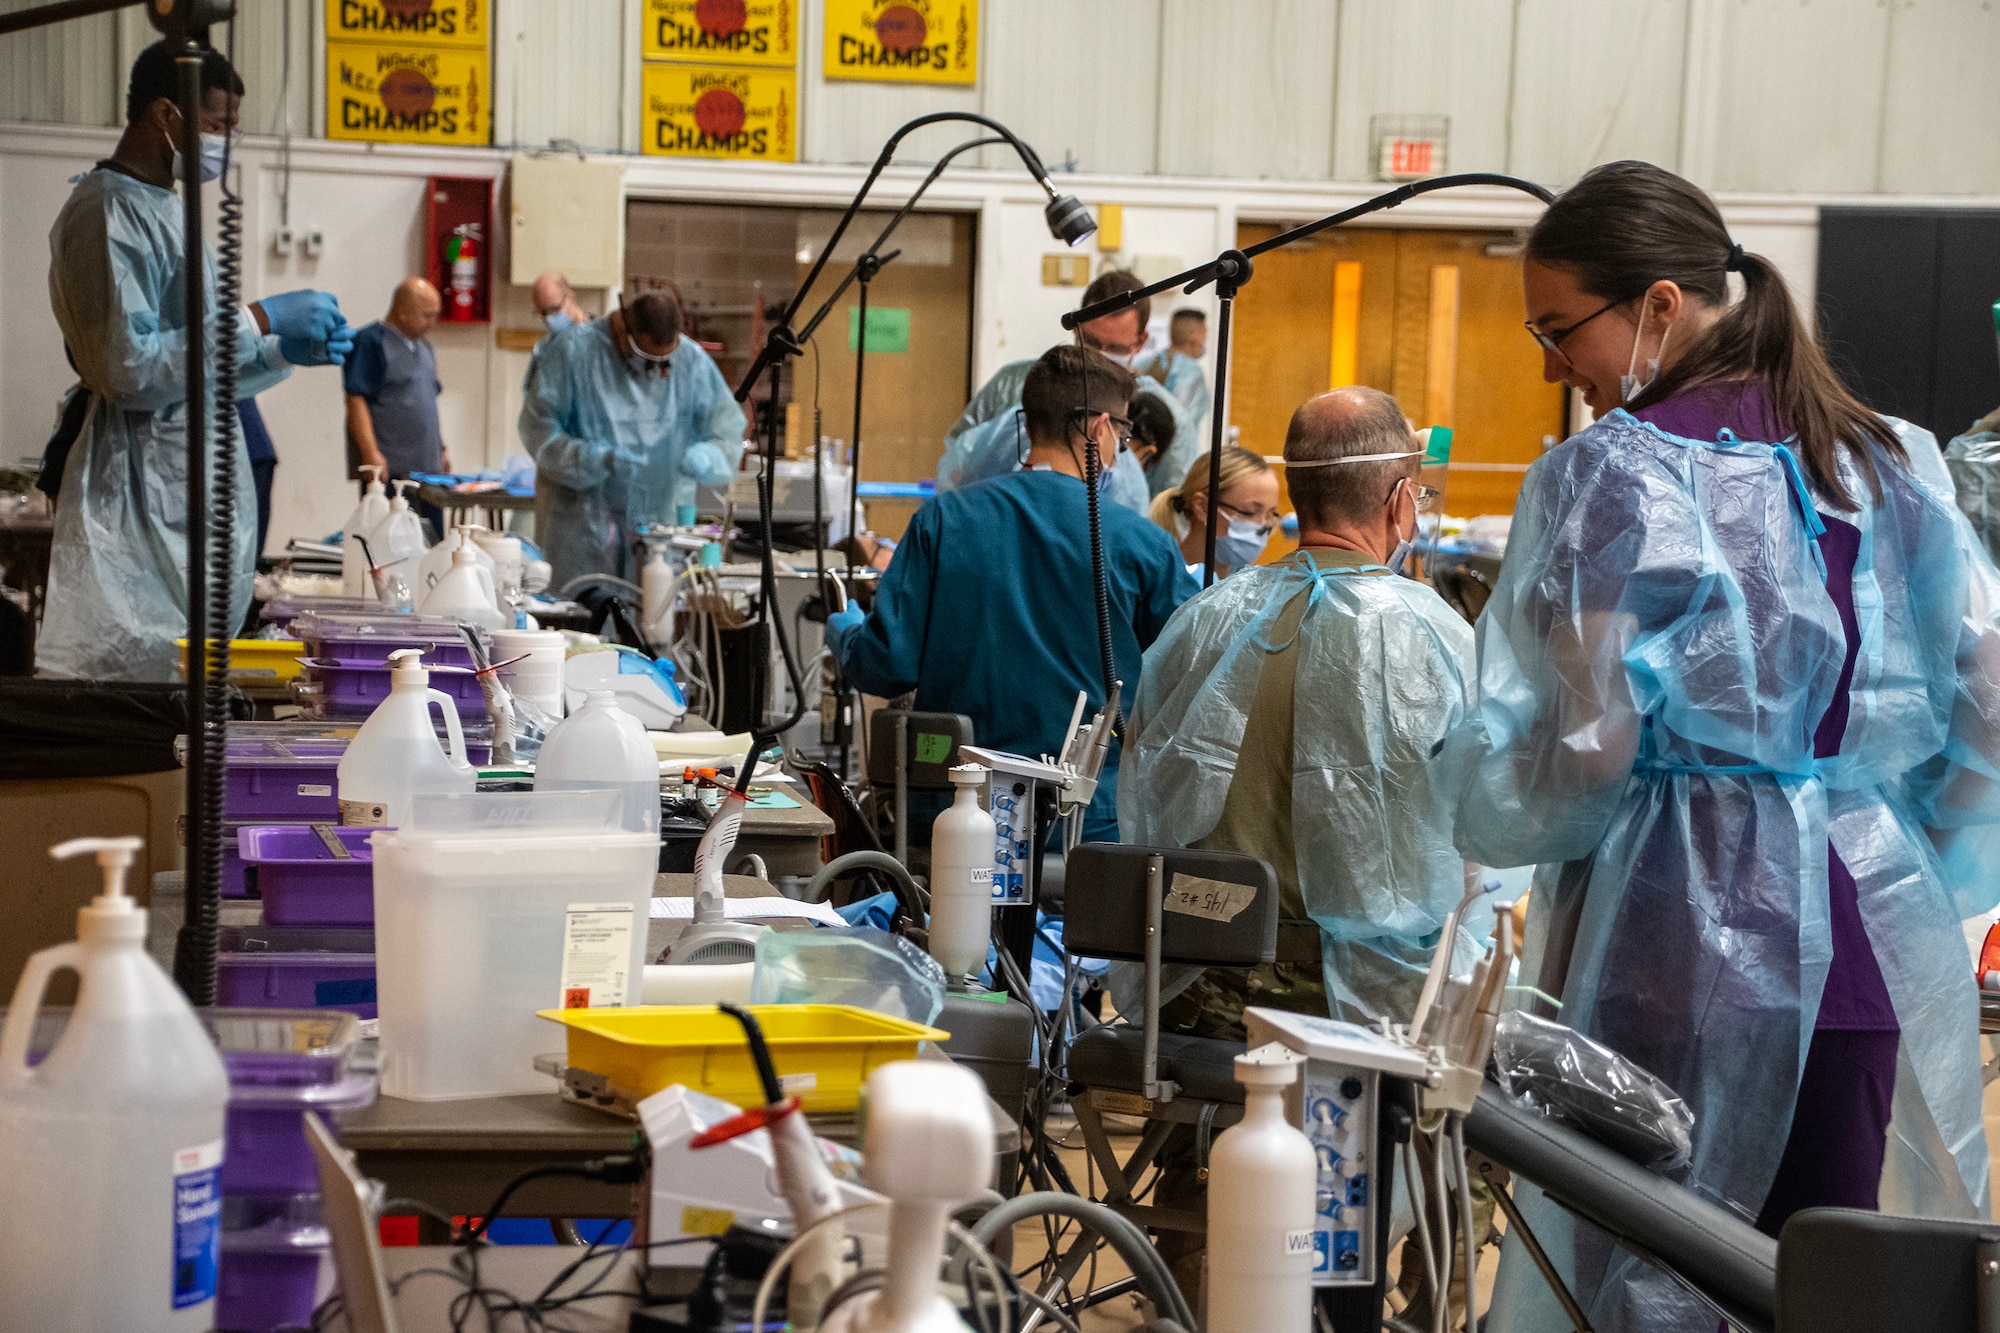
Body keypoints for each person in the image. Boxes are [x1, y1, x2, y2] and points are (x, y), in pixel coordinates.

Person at [1443, 160, 2000, 1333]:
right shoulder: (1883, 456)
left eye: (1557, 330)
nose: (1549, 366)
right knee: (1831, 1289)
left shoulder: (1614, 474)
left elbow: (1587, 753)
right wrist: (1905, 845)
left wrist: (1480, 799)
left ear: (1655, 305)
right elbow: (1984, 701)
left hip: (1672, 951)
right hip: (1861, 946)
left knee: (1650, 1287)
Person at [1120, 387, 1476, 1317]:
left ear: (1290, 487)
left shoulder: (1203, 622)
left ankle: (1184, 1294)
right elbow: (1482, 833)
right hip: (1361, 1008)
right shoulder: (1430, 634)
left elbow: (1144, 796)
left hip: (1201, 995)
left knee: (1219, 1221)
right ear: (1402, 496)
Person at [38, 42, 352, 681]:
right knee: (139, 687)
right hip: (133, 491)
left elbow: (195, 364)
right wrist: (259, 319)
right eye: (217, 126)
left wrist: (277, 351)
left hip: (184, 484)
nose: (227, 143)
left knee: (187, 680)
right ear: (164, 113)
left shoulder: (169, 209)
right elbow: (128, 369)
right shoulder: (106, 210)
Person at [829, 345, 1197, 845]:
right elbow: (1181, 681)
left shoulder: (944, 521)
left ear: (1028, 422)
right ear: (1098, 428)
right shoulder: (1144, 544)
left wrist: (847, 632)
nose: (1119, 451)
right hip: (1090, 821)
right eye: (1123, 435)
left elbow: (886, 665)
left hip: (955, 813)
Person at [519, 290, 745, 589]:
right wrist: (596, 459)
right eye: (646, 360)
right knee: (582, 624)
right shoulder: (571, 353)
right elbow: (540, 433)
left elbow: (725, 431)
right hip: (582, 528)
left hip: (659, 534)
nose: (654, 374)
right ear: (624, 328)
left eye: (663, 363)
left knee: (654, 622)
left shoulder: (689, 360)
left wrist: (707, 456)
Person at [938, 270, 1194, 512]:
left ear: (1141, 342)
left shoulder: (1163, 417)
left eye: (1115, 349)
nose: (1100, 356)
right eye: (1090, 343)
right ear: (1074, 324)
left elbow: (1169, 510)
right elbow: (959, 466)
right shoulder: (1015, 385)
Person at [344, 277, 449, 536]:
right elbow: (356, 399)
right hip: (391, 470)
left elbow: (427, 401)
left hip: (427, 470)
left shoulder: (425, 347)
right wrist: (370, 453)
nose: (432, 324)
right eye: (426, 316)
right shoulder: (370, 342)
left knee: (431, 540)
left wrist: (441, 448)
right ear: (403, 311)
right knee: (390, 542)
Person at [1147, 445, 1279, 578]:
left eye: (1269, 515)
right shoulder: (1163, 580)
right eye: (1248, 512)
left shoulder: (1248, 586)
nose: (1262, 526)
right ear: (1202, 507)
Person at [1137, 306, 1212, 455]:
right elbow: (1182, 420)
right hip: (1176, 456)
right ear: (1194, 335)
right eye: (1204, 332)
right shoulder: (1191, 373)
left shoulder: (1146, 364)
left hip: (1144, 453)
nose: (1205, 339)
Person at [532, 270, 588, 338]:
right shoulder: (551, 342)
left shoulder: (597, 338)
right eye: (544, 313)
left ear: (571, 298)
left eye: (554, 309)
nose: (549, 319)